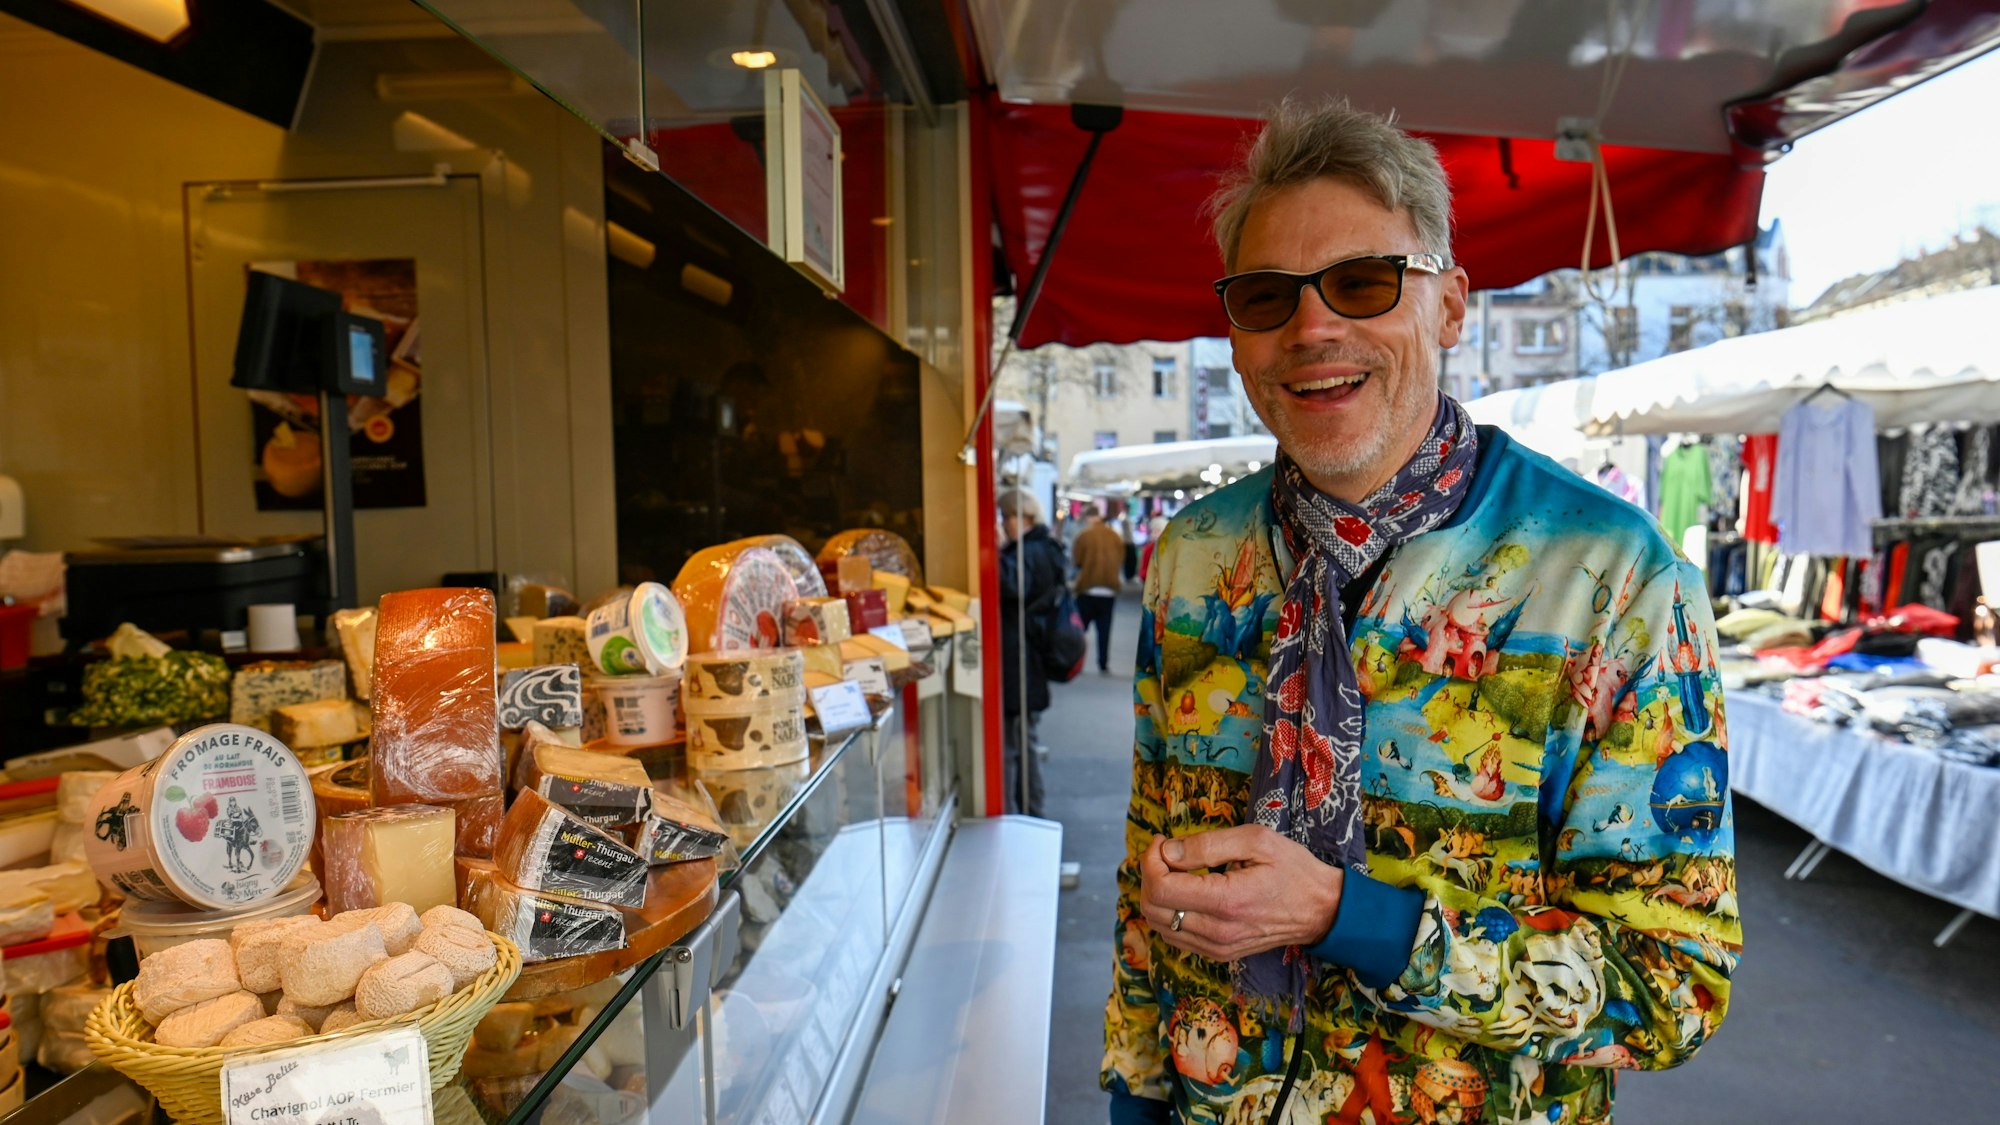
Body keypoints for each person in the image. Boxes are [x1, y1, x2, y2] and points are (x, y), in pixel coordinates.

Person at [1102, 98, 1739, 1125]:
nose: (1313, 328)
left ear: (1447, 306)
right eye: (1268, 296)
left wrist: (1350, 918)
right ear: (1233, 336)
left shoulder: (1612, 579)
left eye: (1362, 283)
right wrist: (1134, 1098)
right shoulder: (1192, 558)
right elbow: (1147, 874)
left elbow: (1672, 986)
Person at [998, 490, 1065, 817]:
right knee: (1023, 741)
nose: (1002, 525)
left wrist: (995, 552)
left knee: (1019, 744)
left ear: (1019, 516)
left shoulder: (1028, 551)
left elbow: (1013, 587)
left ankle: (1026, 816)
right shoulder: (1044, 547)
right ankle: (1028, 814)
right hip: (1030, 658)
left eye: (1004, 517)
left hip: (1020, 661)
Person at [1072, 510, 1127, 674]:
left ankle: (1075, 660)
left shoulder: (1084, 536)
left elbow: (1077, 560)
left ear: (1089, 517)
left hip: (1088, 587)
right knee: (1104, 629)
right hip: (1109, 589)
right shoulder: (1115, 537)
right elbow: (1121, 558)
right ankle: (1103, 663)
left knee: (1080, 628)